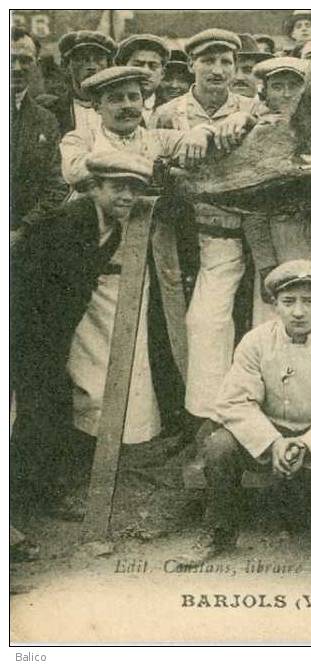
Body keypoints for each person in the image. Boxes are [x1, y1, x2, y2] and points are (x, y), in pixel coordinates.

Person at [11, 151, 187, 521]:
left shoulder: (109, 228)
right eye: (118, 188)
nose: (126, 197)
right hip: (23, 325)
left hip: (50, 330)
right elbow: (29, 281)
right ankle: (18, 508)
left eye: (133, 190)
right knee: (32, 410)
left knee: (50, 407)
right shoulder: (71, 221)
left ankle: (34, 497)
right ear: (95, 188)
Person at [182, 260, 311, 564]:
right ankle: (220, 531)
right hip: (268, 435)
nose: (298, 311)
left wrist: (307, 444)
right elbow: (235, 402)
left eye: (309, 302)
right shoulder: (255, 342)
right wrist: (274, 443)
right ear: (274, 306)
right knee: (219, 446)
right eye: (288, 302)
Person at [152, 29, 265, 441]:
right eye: (208, 61)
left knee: (218, 322)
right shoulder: (170, 112)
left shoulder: (253, 107)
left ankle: (225, 421)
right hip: (185, 233)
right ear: (193, 65)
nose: (217, 70)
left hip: (240, 233)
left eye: (225, 62)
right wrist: (190, 136)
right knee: (191, 324)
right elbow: (151, 150)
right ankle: (197, 419)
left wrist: (248, 118)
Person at [246, 57, 311, 329]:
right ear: (265, 91)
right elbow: (250, 204)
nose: (287, 93)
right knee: (281, 317)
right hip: (281, 238)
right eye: (278, 86)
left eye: (294, 85)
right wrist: (266, 262)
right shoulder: (256, 133)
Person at [59, 66, 219, 190]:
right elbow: (75, 172)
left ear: (143, 101)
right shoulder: (79, 139)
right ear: (97, 106)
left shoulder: (160, 138)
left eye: (134, 97)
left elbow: (204, 140)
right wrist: (155, 169)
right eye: (116, 99)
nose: (127, 105)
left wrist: (202, 132)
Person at [10, 28, 66, 246]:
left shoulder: (46, 120)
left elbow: (57, 185)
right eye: (9, 59)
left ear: (35, 64)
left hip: (26, 237)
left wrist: (24, 230)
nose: (16, 68)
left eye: (25, 60)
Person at [43, 30, 116, 136]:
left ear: (108, 66)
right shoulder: (51, 112)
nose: (91, 66)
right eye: (82, 59)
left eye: (98, 59)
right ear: (66, 66)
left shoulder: (121, 108)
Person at [114, 34, 168, 125]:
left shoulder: (172, 108)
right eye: (138, 65)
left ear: (162, 74)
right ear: (122, 69)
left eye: (153, 66)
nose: (146, 71)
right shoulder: (109, 106)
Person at [230, 34, 272, 99]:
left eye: (248, 70)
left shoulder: (268, 107)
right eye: (233, 70)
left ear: (260, 76)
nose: (239, 77)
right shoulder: (214, 108)